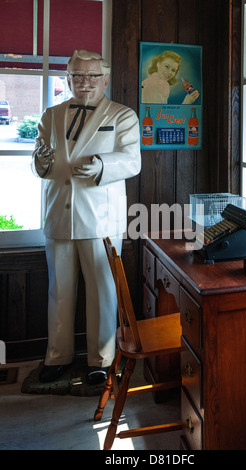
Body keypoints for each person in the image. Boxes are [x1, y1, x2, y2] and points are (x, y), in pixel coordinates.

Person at [32, 49, 141, 385]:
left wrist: (103, 167)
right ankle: (57, 357)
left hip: (101, 220)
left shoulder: (123, 116)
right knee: (59, 291)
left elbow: (132, 161)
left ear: (106, 79)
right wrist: (42, 162)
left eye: (93, 76)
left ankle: (102, 359)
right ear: (67, 79)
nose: (84, 82)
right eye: (77, 75)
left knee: (102, 291)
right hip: (59, 216)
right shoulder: (50, 115)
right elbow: (41, 162)